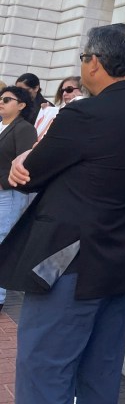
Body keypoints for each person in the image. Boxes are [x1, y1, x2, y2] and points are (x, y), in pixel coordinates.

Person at [0, 24, 125, 403]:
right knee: (101, 370)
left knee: (44, 369)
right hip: (123, 259)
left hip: (70, 262)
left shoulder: (86, 114)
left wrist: (26, 157)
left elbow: (29, 177)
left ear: (95, 62)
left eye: (83, 60)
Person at [0, 85, 36, 311]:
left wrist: (2, 181)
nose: (1, 101)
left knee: (2, 243)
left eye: (7, 99)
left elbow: (26, 166)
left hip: (9, 195)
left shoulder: (24, 129)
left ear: (21, 105)